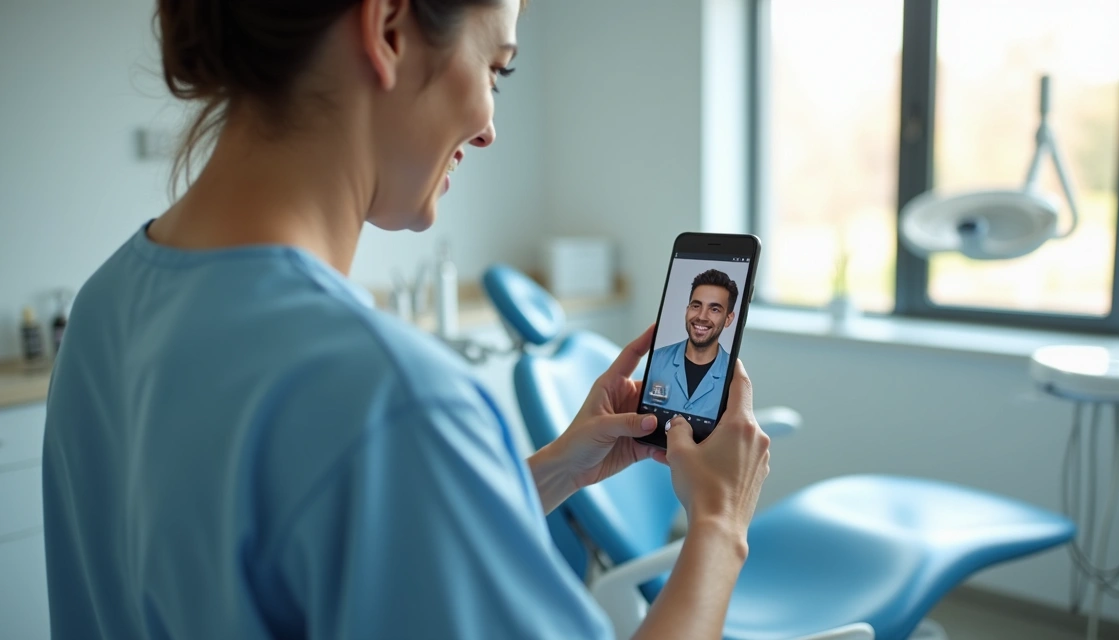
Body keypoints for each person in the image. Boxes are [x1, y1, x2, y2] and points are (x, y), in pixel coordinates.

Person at [40, 1, 771, 639]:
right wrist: (719, 525)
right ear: (388, 27)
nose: (489, 129)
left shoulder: (105, 308)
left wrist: (554, 469)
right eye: (497, 67)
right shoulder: (394, 398)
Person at [646, 269, 738, 422]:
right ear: (687, 309)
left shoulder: (734, 375)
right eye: (696, 306)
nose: (702, 316)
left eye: (714, 309)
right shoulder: (656, 360)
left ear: (728, 319)